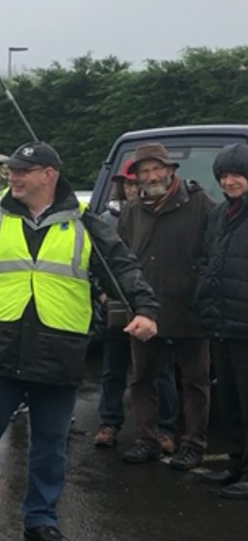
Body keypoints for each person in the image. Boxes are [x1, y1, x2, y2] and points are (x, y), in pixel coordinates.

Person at [0, 142, 159, 541]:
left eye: (23, 171)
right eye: (12, 170)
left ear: (49, 175)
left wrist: (146, 307)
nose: (13, 177)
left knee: (50, 440)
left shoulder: (85, 222)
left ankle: (41, 517)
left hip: (58, 347)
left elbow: (122, 265)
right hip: (2, 346)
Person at [117, 143, 214, 469]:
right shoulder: (131, 210)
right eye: (144, 171)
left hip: (189, 308)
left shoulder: (200, 203)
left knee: (195, 381)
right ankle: (147, 439)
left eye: (157, 168)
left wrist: (201, 287)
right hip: (145, 310)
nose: (151, 176)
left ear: (171, 170)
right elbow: (120, 258)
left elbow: (215, 252)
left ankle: (194, 444)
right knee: (142, 378)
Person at [95, 158, 178, 448]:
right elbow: (97, 262)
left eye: (136, 182)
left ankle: (165, 429)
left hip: (152, 305)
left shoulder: (159, 214)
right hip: (118, 306)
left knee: (161, 370)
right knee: (113, 368)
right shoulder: (106, 219)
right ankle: (109, 423)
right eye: (128, 182)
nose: (133, 187)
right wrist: (102, 293)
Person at [196, 143, 248, 499]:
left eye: (236, 174)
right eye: (223, 176)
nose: (229, 181)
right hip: (222, 323)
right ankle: (235, 464)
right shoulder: (219, 215)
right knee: (229, 400)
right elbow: (207, 258)